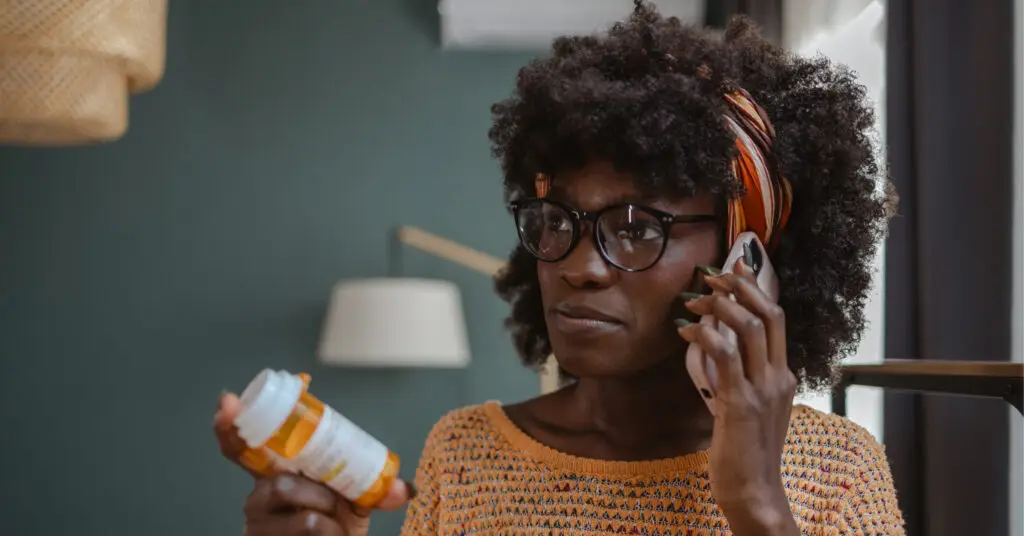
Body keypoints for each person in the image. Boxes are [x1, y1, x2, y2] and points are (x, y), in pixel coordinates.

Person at [214, 2, 904, 534]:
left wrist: (758, 506)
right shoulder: (466, 457)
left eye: (636, 230)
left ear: (742, 260)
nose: (579, 267)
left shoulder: (836, 473)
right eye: (559, 222)